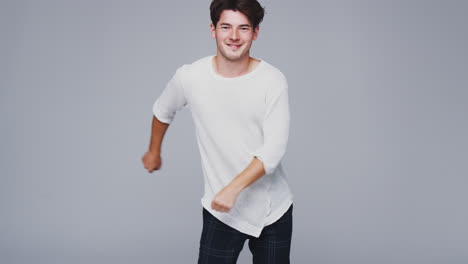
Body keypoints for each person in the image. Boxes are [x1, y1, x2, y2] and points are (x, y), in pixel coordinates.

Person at [142, 0, 294, 263]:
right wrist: (154, 151)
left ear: (255, 33)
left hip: (273, 211)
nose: (234, 37)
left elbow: (273, 149)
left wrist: (233, 188)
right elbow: (162, 110)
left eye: (243, 28)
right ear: (213, 29)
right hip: (221, 211)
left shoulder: (272, 80)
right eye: (226, 27)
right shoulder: (190, 77)